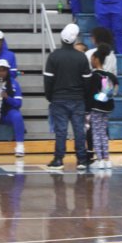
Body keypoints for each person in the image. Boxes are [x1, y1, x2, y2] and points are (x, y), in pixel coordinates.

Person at [44, 23, 92, 170]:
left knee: (61, 131)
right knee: (79, 130)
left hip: (58, 99)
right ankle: (82, 160)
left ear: (61, 38)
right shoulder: (81, 57)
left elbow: (48, 80)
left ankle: (58, 159)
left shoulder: (54, 56)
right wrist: (86, 100)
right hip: (78, 99)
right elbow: (87, 82)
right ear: (74, 39)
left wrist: (50, 97)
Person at [87, 45, 119, 169]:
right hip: (107, 107)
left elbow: (91, 93)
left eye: (91, 59)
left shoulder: (93, 76)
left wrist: (94, 101)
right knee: (104, 133)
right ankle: (106, 159)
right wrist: (107, 96)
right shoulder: (109, 75)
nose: (91, 61)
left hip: (96, 107)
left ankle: (100, 160)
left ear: (96, 59)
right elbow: (115, 88)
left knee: (96, 132)